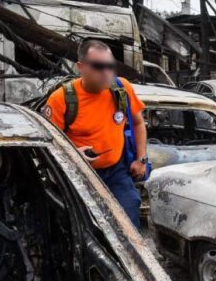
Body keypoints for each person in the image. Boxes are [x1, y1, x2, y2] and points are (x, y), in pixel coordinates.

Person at [43, 39, 148, 227]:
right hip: (79, 173)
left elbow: (139, 123)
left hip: (117, 171)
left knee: (129, 214)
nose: (106, 72)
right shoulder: (61, 100)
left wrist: (141, 160)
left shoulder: (121, 89)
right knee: (85, 225)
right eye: (98, 66)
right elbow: (49, 145)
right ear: (81, 67)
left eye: (110, 66)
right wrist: (73, 154)